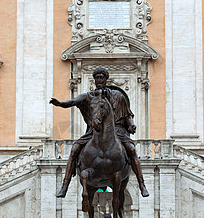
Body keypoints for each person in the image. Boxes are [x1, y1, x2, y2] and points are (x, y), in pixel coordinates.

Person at [50, 67, 149, 198]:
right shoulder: (89, 96)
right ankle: (65, 186)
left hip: (117, 131)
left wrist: (131, 125)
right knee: (74, 149)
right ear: (94, 80)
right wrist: (61, 104)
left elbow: (127, 115)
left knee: (131, 150)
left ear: (106, 79)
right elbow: (74, 102)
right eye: (97, 78)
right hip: (94, 132)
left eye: (102, 77)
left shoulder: (118, 96)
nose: (99, 80)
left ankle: (142, 184)